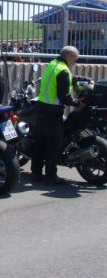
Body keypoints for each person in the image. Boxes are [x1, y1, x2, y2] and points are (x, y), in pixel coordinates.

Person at [31, 46, 83, 186]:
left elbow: (64, 80)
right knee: (53, 144)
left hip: (41, 106)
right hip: (53, 111)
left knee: (40, 142)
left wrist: (81, 79)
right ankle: (51, 177)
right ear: (69, 56)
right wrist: (78, 103)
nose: (76, 62)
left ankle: (36, 174)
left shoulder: (53, 64)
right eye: (75, 59)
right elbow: (64, 96)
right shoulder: (64, 70)